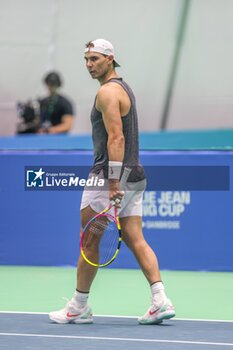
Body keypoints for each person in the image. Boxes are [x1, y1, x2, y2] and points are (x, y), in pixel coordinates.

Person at [49, 39, 175, 325]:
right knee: (135, 238)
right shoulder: (124, 88)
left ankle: (78, 306)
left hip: (108, 177)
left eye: (95, 59)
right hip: (136, 175)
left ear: (110, 59)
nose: (89, 65)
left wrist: (113, 181)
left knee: (89, 240)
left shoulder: (107, 92)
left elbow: (116, 138)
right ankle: (160, 300)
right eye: (86, 59)